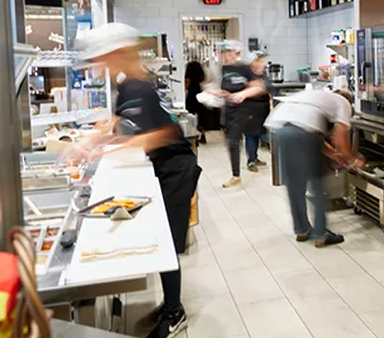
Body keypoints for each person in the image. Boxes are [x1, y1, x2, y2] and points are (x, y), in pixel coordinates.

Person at [68, 23, 201, 338]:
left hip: (176, 169)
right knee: (162, 237)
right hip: (165, 167)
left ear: (118, 53)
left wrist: (100, 151)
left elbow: (161, 134)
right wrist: (91, 140)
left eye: (102, 57)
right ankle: (170, 300)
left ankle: (174, 311)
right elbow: (119, 121)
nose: (98, 65)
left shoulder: (137, 86)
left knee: (166, 243)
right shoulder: (126, 83)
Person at [264, 89, 363, 247]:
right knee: (317, 183)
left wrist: (335, 155)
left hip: (281, 129)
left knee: (295, 184)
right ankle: (321, 234)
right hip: (302, 131)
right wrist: (352, 159)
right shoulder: (343, 103)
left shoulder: (317, 97)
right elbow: (340, 138)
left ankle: (301, 229)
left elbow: (315, 136)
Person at [211, 40, 267, 187]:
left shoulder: (244, 68)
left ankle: (239, 173)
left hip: (243, 111)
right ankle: (236, 175)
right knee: (232, 142)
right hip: (229, 110)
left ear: (236, 53)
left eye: (229, 53)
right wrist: (215, 93)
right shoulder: (224, 69)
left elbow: (259, 87)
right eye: (223, 53)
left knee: (235, 140)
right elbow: (227, 90)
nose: (226, 56)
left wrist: (243, 94)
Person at [244, 51, 271, 171]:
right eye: (259, 60)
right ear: (252, 62)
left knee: (258, 134)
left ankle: (255, 157)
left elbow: (267, 90)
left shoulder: (262, 75)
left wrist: (270, 105)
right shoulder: (246, 75)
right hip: (250, 109)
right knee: (251, 135)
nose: (262, 63)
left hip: (262, 109)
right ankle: (251, 161)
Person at [184, 61, 218, 144]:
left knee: (190, 116)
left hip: (191, 95)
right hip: (200, 95)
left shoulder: (189, 74)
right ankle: (203, 135)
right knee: (201, 116)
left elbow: (186, 83)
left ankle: (192, 136)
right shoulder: (201, 74)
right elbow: (206, 80)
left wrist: (185, 89)